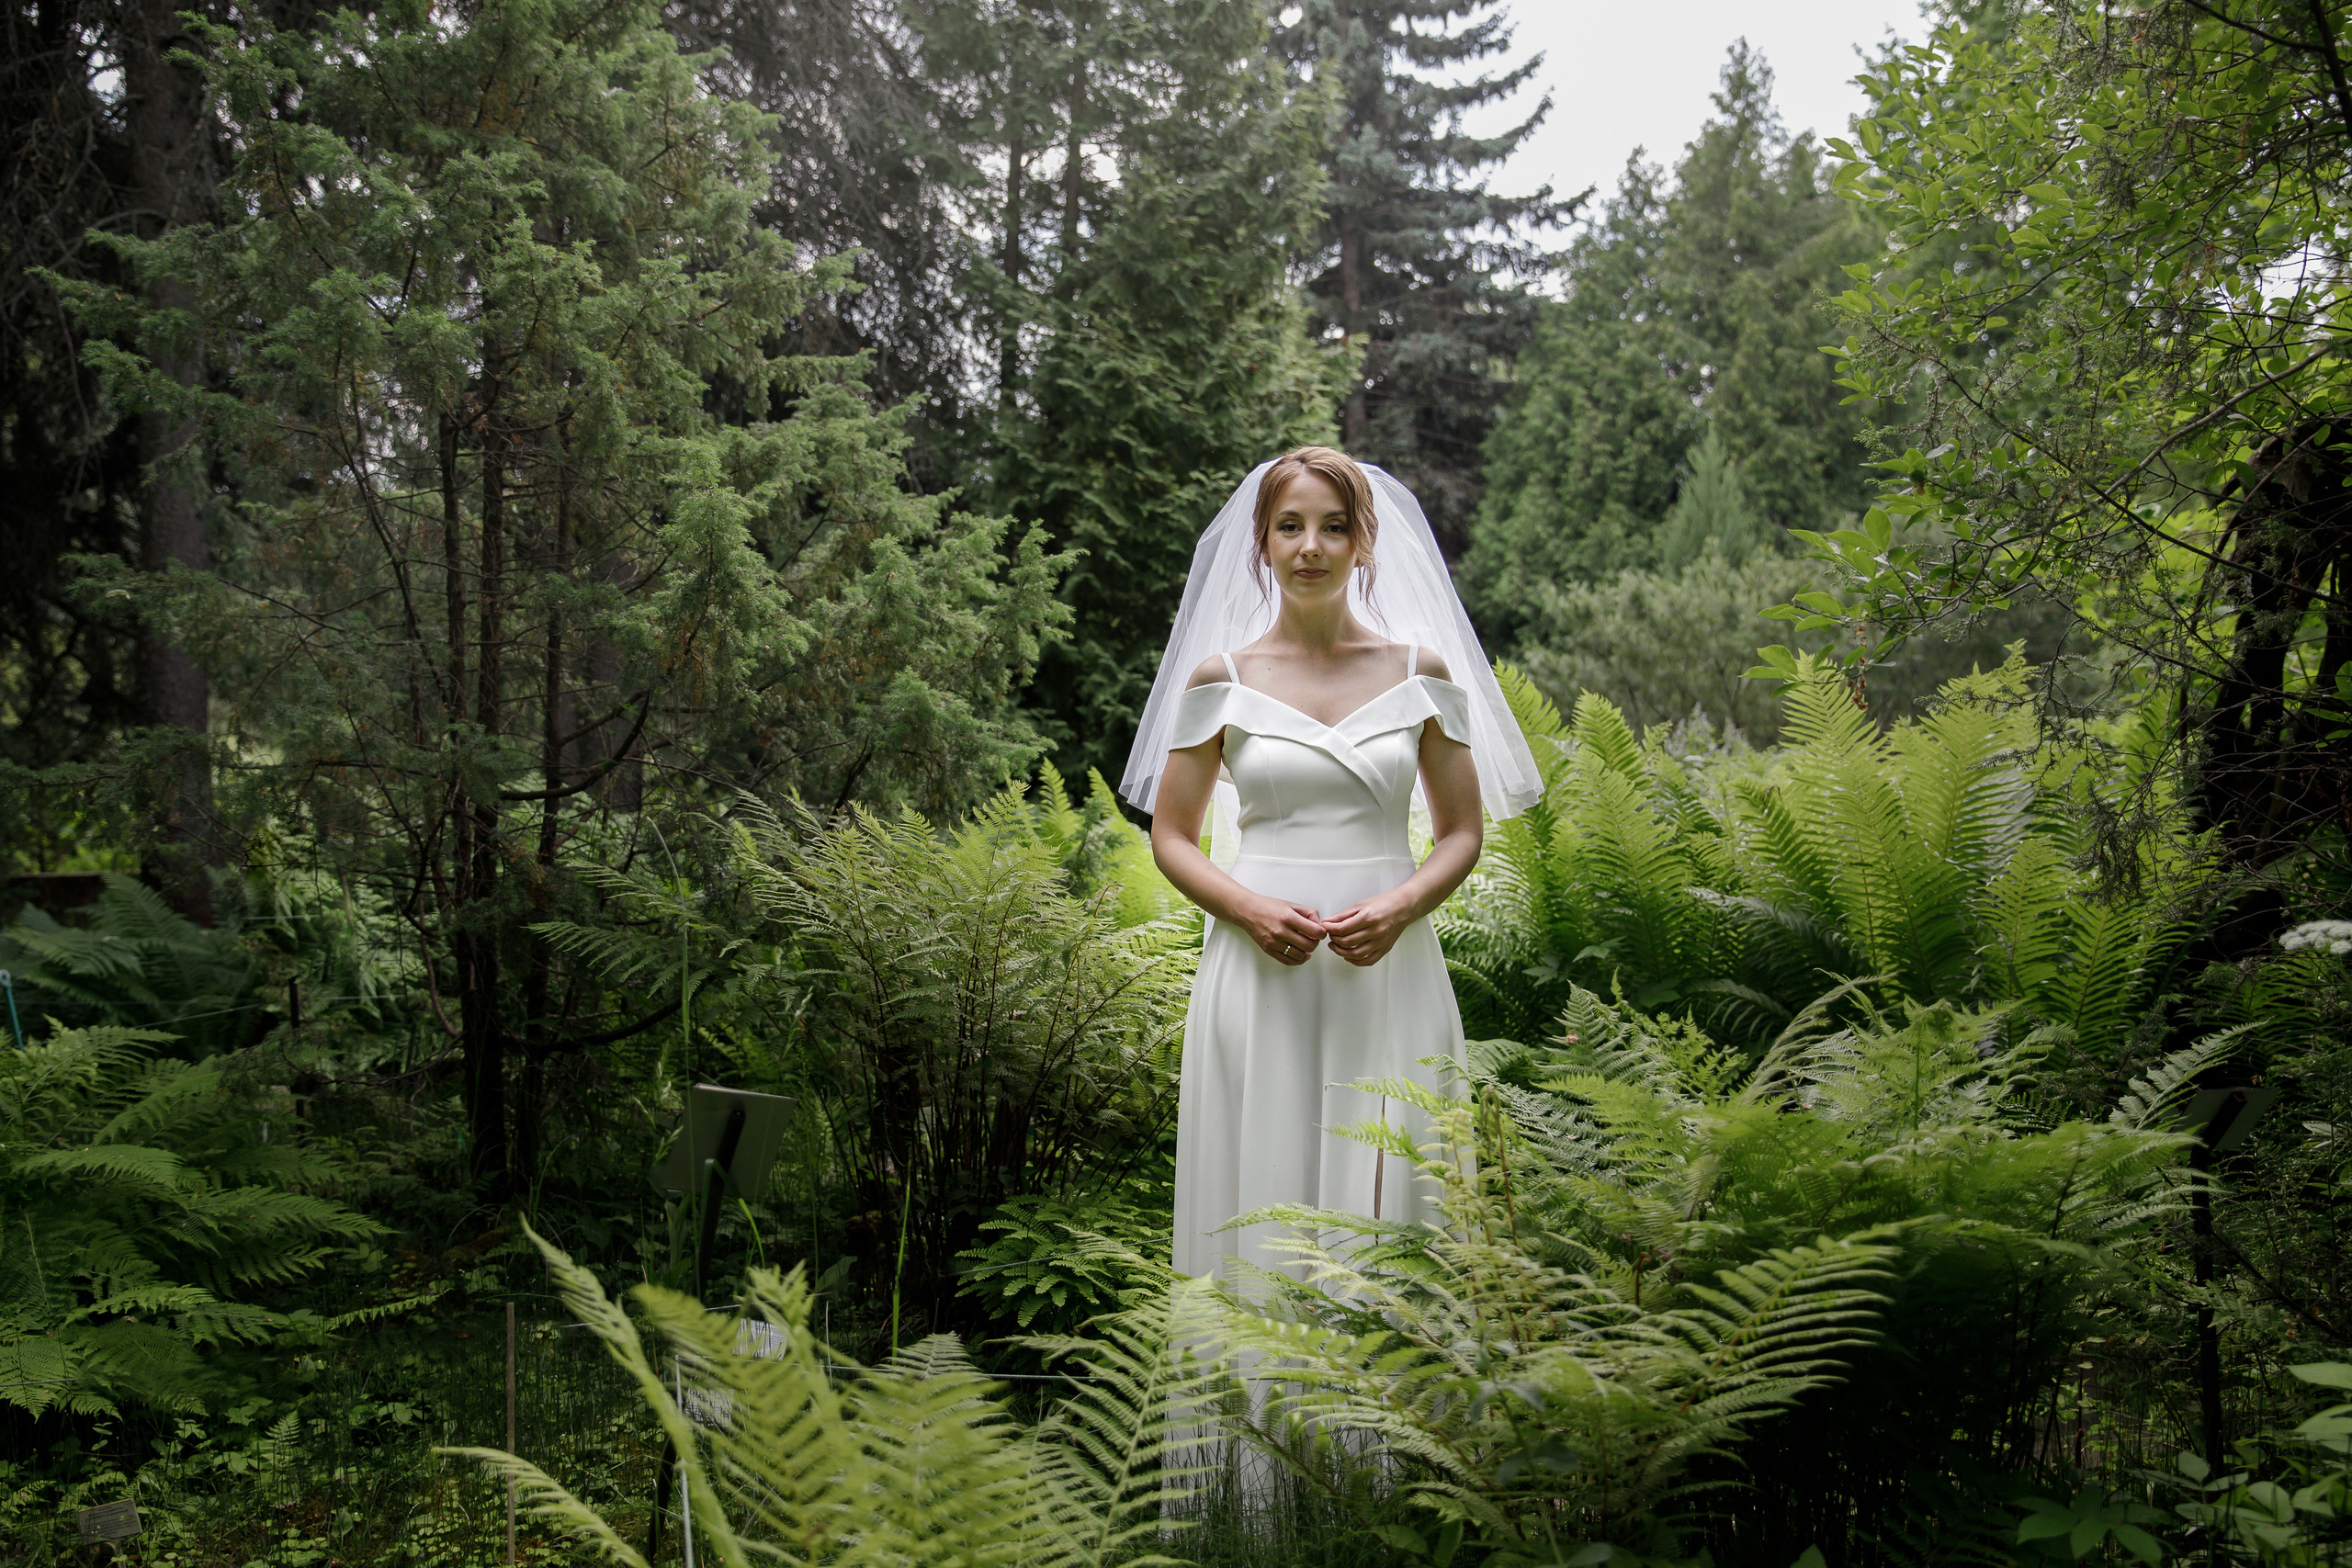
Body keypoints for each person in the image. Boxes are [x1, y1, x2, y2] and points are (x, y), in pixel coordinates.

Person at [1119, 447, 1540, 1285]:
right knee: (1261, 1187)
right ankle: (1259, 1406)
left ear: (1363, 544)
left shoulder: (1419, 672)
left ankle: (1387, 1406)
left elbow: (1461, 830)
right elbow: (1171, 834)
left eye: (1333, 527)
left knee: (1391, 1189)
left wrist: (1403, 905)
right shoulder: (1222, 679)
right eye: (1291, 526)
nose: (1311, 545)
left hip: (1389, 972)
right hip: (1258, 970)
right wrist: (1246, 908)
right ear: (1263, 545)